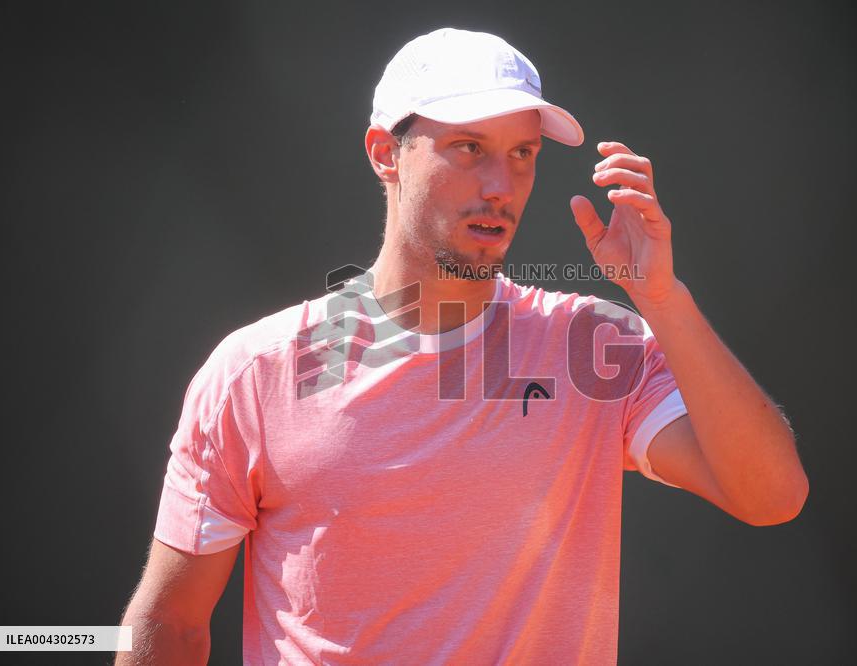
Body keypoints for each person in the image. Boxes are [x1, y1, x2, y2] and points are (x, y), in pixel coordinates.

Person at [117, 27, 808, 665]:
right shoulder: (255, 371)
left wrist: (662, 299)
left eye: (522, 155)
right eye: (469, 148)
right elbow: (170, 625)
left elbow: (772, 495)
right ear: (385, 153)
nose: (500, 187)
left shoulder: (593, 347)